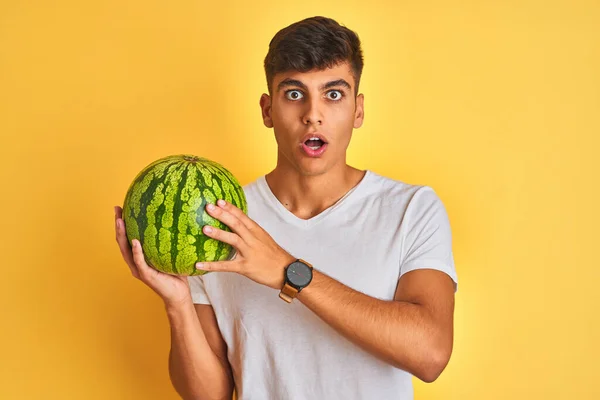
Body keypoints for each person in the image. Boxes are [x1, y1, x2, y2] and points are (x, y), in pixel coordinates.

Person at [114, 16, 458, 400]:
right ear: (267, 110)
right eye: (294, 94)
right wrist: (177, 301)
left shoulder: (411, 209)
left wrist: (286, 271)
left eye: (334, 94)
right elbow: (209, 395)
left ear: (358, 110)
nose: (313, 114)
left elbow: (430, 353)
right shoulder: (220, 219)